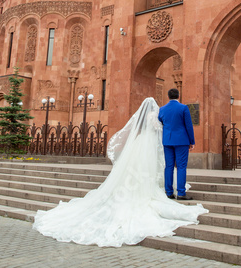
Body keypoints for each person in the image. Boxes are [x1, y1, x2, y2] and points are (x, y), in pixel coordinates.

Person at [33, 97, 208, 247]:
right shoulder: (158, 114)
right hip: (154, 143)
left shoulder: (147, 117)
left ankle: (152, 187)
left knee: (138, 167)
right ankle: (163, 189)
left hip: (141, 143)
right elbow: (161, 127)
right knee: (155, 166)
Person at [158, 88, 195, 200]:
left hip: (167, 141)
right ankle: (181, 193)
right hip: (181, 141)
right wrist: (191, 141)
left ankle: (169, 192)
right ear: (178, 96)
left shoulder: (162, 109)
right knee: (181, 166)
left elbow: (160, 123)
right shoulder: (183, 108)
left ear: (168, 97)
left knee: (168, 166)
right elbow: (189, 125)